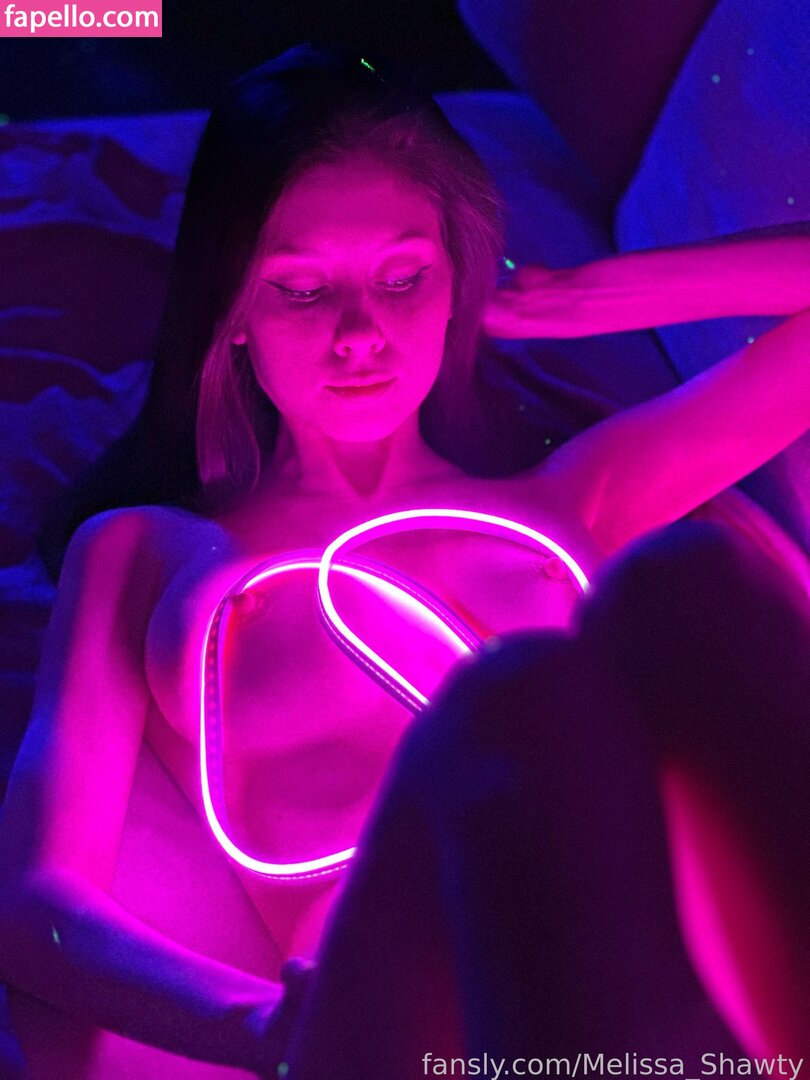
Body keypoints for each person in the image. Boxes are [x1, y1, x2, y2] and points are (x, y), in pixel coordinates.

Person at [0, 42, 808, 1078]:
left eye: (403, 279)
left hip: (643, 997)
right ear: (231, 311)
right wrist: (265, 1027)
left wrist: (591, 293)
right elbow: (35, 903)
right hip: (403, 1026)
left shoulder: (568, 505)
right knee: (531, 695)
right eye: (302, 291)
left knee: (691, 590)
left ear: (455, 283)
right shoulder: (152, 556)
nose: (360, 334)